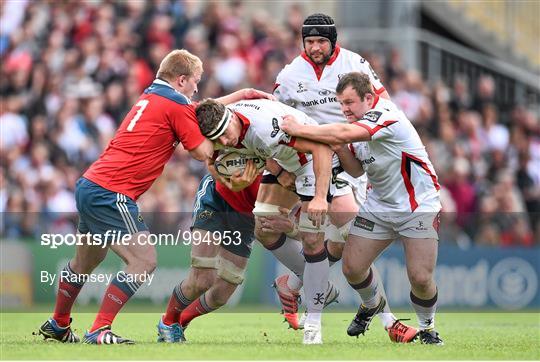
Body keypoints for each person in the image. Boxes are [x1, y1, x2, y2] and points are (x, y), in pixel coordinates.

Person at [38, 49, 275, 345]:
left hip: (91, 184)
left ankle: (58, 324)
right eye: (195, 82)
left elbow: (195, 109)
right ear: (182, 79)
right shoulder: (176, 105)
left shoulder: (154, 96)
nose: (196, 88)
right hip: (112, 191)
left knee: (86, 261)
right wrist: (234, 148)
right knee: (144, 260)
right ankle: (100, 329)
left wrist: (240, 95)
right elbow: (202, 151)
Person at [270, 12, 413, 342]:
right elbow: (275, 113)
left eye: (321, 41)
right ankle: (388, 322)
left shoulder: (355, 64)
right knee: (344, 233)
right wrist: (279, 166)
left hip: (350, 157)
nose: (315, 47)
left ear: (333, 41)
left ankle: (291, 284)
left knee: (344, 241)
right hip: (311, 160)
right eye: (310, 41)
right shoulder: (291, 74)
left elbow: (384, 104)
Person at [281, 72, 443, 345]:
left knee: (420, 278)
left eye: (349, 102)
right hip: (378, 206)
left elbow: (343, 132)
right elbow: (356, 170)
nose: (344, 109)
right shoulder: (354, 126)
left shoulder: (386, 114)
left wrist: (299, 129)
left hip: (418, 206)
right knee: (353, 268)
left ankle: (428, 328)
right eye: (341, 103)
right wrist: (341, 149)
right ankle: (371, 304)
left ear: (369, 98)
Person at [195, 98, 336, 344]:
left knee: (315, 240)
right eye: (219, 138)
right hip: (281, 161)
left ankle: (313, 324)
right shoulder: (220, 123)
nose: (226, 142)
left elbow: (321, 148)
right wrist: (231, 182)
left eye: (226, 134)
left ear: (232, 117)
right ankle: (300, 282)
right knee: (265, 228)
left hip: (311, 162)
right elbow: (211, 162)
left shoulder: (265, 130)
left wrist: (320, 197)